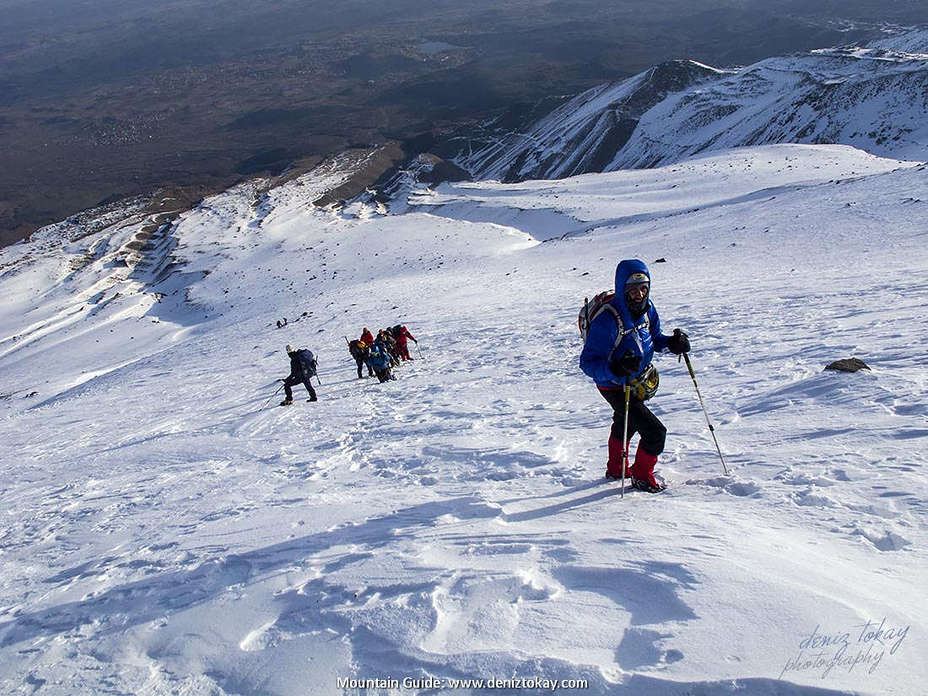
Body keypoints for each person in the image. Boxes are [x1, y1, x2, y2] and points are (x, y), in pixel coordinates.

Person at [579, 260, 691, 492]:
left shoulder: (648, 309)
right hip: (612, 384)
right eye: (632, 288)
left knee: (625, 422)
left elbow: (654, 338)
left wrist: (672, 343)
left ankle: (616, 469)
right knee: (654, 432)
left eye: (643, 288)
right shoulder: (607, 321)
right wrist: (615, 370)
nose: (639, 294)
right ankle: (641, 476)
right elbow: (587, 363)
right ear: (622, 288)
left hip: (634, 379)